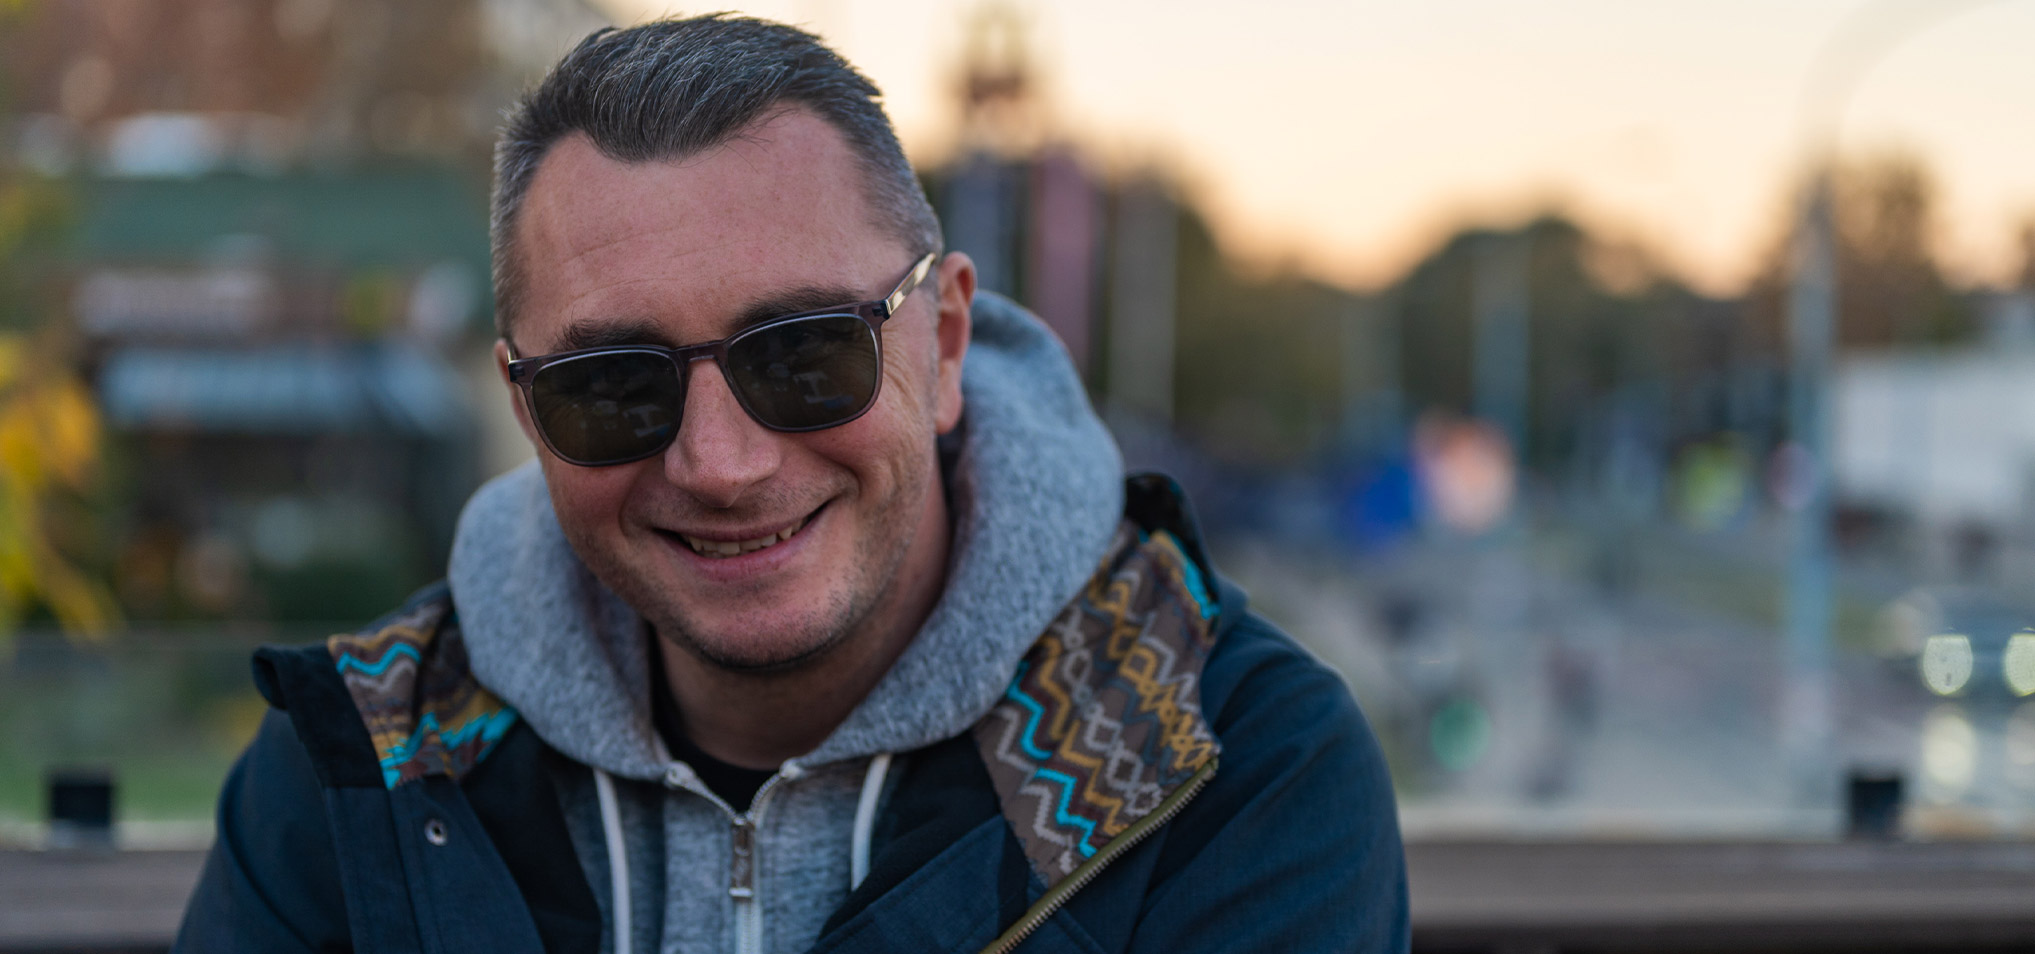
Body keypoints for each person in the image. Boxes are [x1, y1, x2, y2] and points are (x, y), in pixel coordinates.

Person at [175, 14, 1407, 954]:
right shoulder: (356, 766)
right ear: (524, 410)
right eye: (613, 385)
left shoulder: (1233, 764)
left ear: (945, 343)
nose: (722, 464)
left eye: (805, 356)